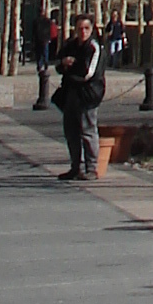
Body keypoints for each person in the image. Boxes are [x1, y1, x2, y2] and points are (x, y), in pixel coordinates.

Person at [56, 15, 105, 182]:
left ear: (92, 29)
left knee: (88, 130)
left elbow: (87, 73)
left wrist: (71, 68)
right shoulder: (71, 45)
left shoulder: (93, 47)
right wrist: (65, 63)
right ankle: (75, 167)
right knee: (71, 131)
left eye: (86, 28)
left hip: (88, 94)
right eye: (79, 28)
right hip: (71, 92)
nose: (83, 32)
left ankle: (91, 168)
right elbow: (58, 64)